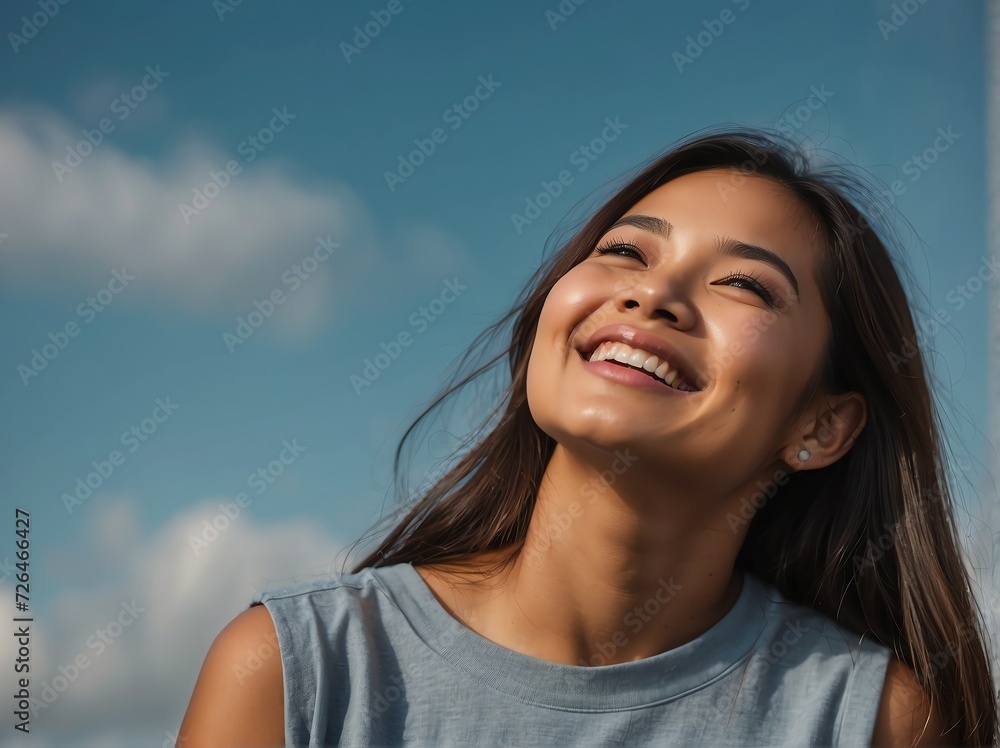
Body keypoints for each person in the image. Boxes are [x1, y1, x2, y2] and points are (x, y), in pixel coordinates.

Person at [177, 128, 997, 746]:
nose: (655, 294)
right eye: (625, 252)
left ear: (820, 426)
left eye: (744, 283)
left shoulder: (870, 722)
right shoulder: (294, 674)